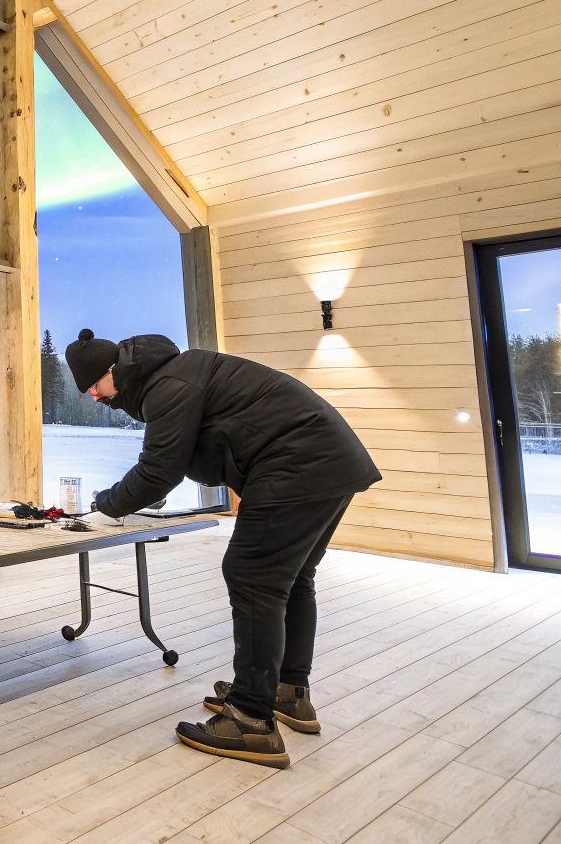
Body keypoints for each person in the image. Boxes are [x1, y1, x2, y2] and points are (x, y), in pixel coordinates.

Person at [63, 329, 381, 769]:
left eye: (94, 386)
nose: (94, 397)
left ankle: (251, 719)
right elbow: (183, 454)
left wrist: (107, 505)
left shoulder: (168, 385)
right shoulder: (173, 374)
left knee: (252, 575)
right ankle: (288, 694)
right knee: (289, 579)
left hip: (299, 463)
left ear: (113, 371)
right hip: (329, 460)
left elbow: (158, 470)